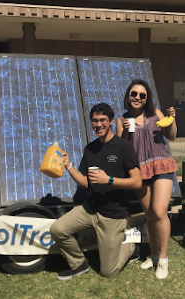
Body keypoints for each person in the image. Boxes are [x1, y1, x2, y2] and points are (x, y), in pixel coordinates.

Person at [50, 103, 142, 280]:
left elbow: (137, 182)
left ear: (111, 121)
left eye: (102, 120)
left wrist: (109, 180)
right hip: (90, 209)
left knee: (108, 272)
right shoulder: (90, 149)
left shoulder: (124, 147)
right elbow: (85, 182)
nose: (98, 125)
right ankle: (79, 264)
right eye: (94, 121)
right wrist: (68, 166)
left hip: (113, 215)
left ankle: (131, 247)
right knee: (57, 229)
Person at [116, 79, 177, 279]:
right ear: (128, 96)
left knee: (160, 211)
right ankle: (153, 255)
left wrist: (172, 120)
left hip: (161, 165)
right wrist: (125, 129)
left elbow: (172, 136)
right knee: (149, 215)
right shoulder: (122, 119)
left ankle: (164, 260)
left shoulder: (155, 113)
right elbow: (122, 148)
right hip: (140, 170)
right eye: (134, 94)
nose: (138, 98)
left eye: (142, 95)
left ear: (147, 98)